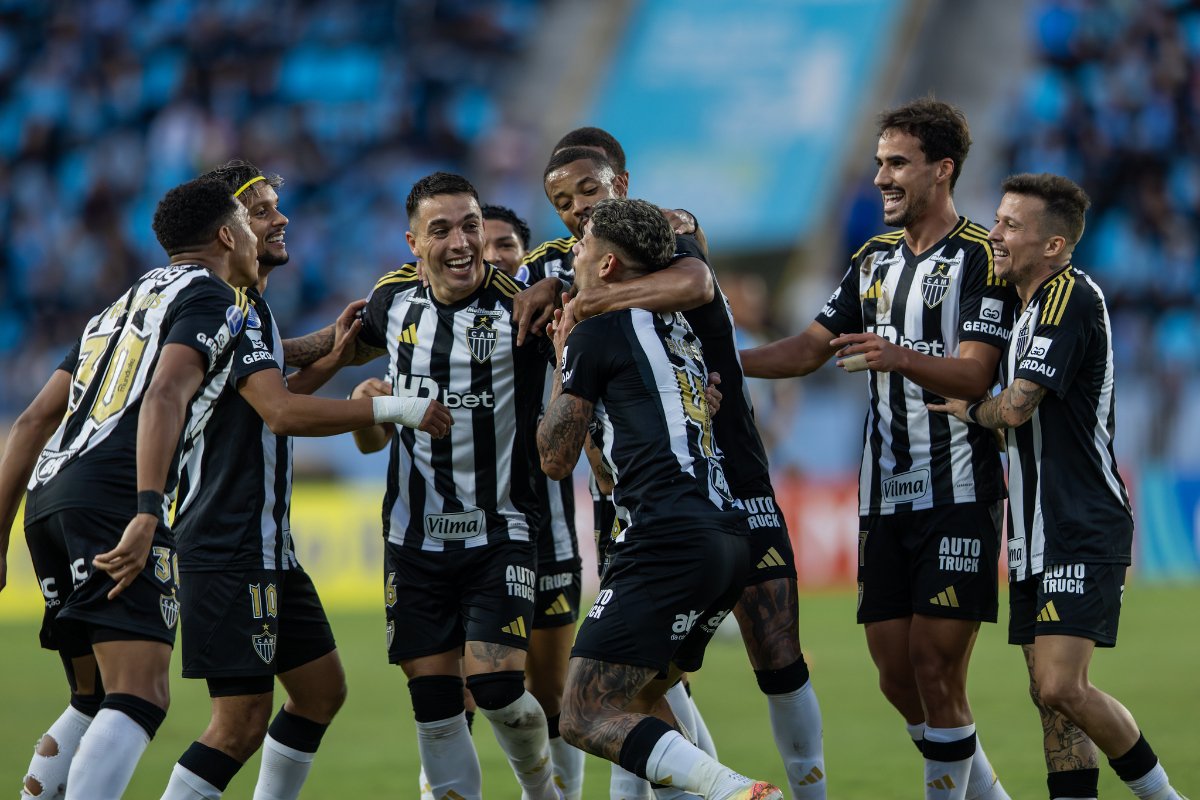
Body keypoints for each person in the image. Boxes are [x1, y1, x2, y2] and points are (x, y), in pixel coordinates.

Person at [740, 98, 1014, 800]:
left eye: (898, 164)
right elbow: (808, 348)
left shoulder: (984, 257)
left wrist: (896, 355)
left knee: (934, 664)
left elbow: (978, 371)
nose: (881, 178)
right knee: (896, 674)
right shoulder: (871, 261)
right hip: (884, 498)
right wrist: (721, 358)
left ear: (942, 170)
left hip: (959, 492)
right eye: (878, 164)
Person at [538, 145, 827, 797]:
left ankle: (732, 790)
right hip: (718, 528)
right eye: (563, 203)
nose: (576, 218)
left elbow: (553, 456)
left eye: (588, 194)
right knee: (642, 689)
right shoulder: (679, 332)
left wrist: (569, 339)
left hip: (668, 529)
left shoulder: (608, 315)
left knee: (585, 709)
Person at [159, 161, 451, 800]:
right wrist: (391, 407)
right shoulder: (227, 306)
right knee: (236, 726)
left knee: (321, 692)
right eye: (260, 210)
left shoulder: (247, 307)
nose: (280, 218)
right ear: (229, 230)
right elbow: (282, 414)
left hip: (265, 546)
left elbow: (267, 407)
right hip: (226, 543)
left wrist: (334, 357)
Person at [929, 173, 1188, 800]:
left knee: (1061, 686)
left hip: (1080, 521)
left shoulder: (1069, 297)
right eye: (997, 220)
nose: (994, 234)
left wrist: (968, 408)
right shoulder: (1025, 313)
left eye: (1011, 225)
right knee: (1049, 702)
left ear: (1054, 245)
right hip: (1034, 531)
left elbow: (1015, 410)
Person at [300, 172, 559, 799]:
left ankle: (542, 792)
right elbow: (366, 432)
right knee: (439, 713)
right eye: (440, 230)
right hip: (413, 540)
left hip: (502, 528)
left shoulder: (524, 306)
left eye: (470, 225)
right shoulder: (390, 303)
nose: (461, 242)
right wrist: (369, 404)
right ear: (413, 242)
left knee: (497, 689)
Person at [0, 177, 259, 799]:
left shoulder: (120, 304)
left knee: (90, 696)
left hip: (48, 499)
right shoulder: (213, 296)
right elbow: (166, 392)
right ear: (226, 235)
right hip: (113, 497)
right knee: (140, 693)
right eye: (246, 225)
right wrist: (146, 510)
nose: (254, 235)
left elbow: (34, 418)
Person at [482, 202, 587, 798]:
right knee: (465, 695)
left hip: (551, 530)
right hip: (467, 537)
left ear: (525, 259)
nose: (494, 258)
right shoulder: (438, 324)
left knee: (554, 695)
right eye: (485, 245)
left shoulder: (555, 325)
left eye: (507, 248)